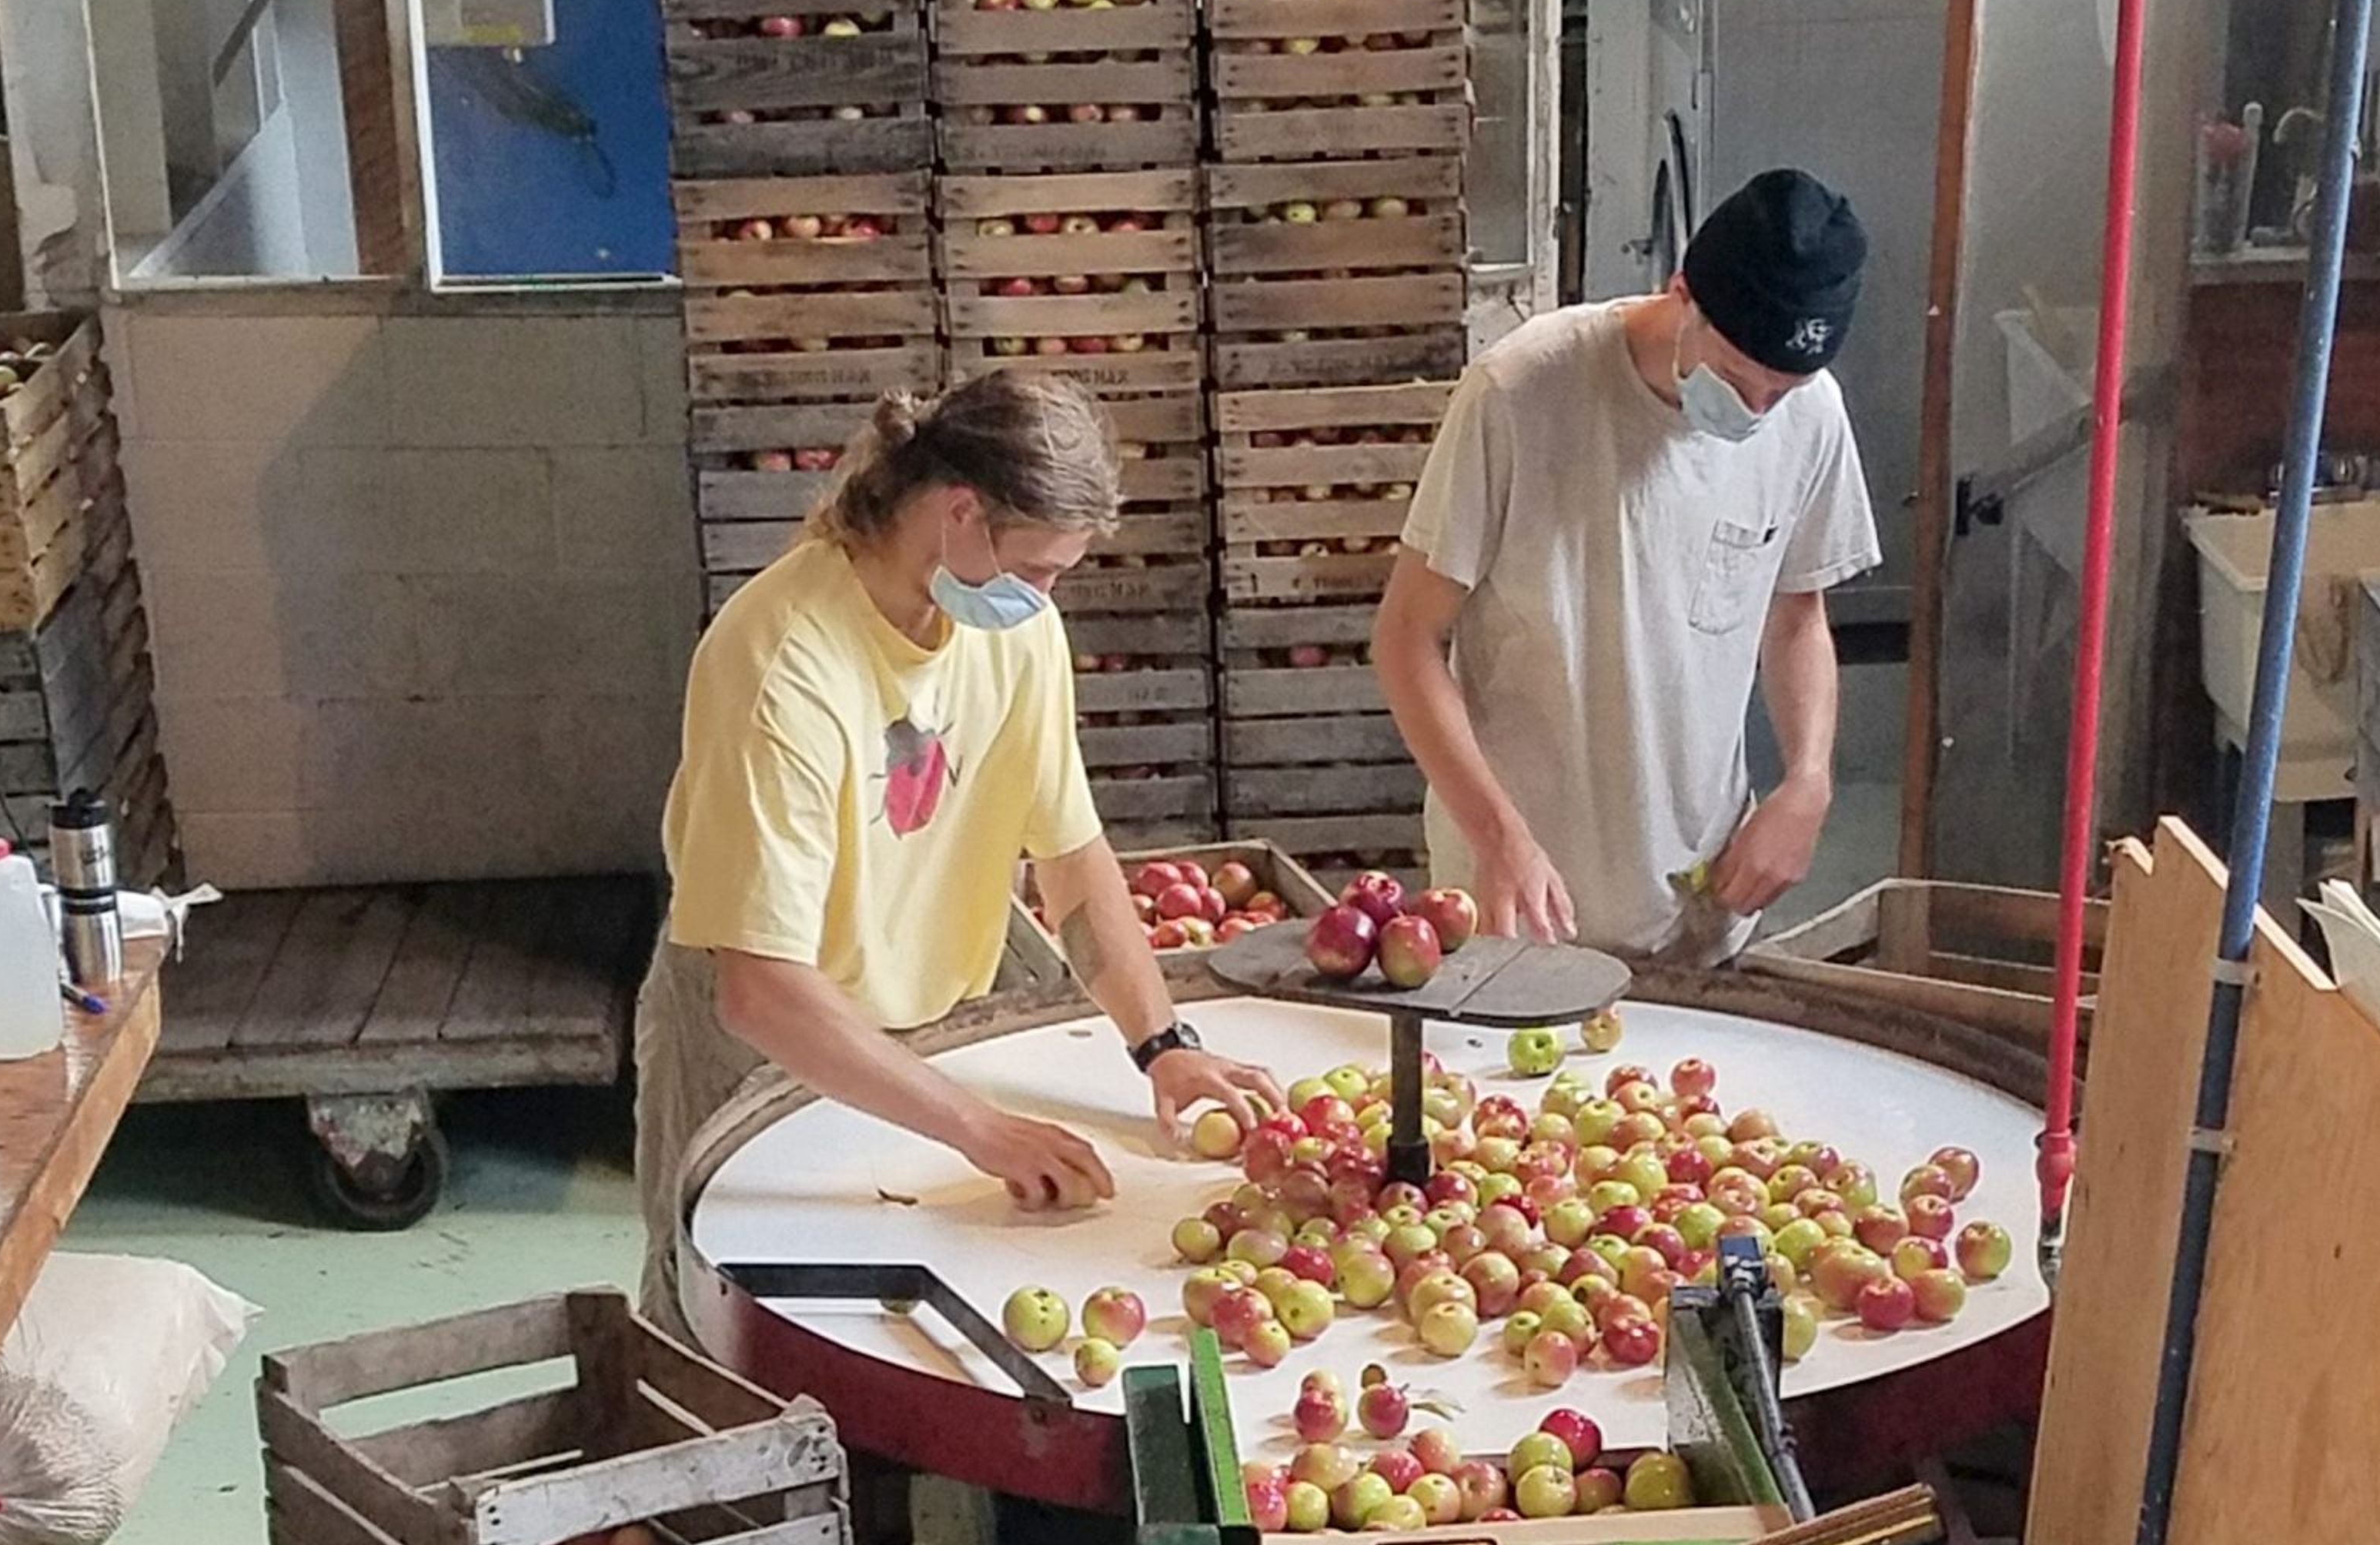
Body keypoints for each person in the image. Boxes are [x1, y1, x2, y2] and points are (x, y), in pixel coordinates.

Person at [633, 366, 1274, 1331]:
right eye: (1042, 567)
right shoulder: (782, 665)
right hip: (765, 1031)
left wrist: (1162, 1044)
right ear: (960, 512)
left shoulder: (1014, 633)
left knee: (918, 1305)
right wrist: (983, 1128)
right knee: (728, 1312)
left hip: (929, 1017)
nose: (1048, 594)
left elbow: (1070, 854)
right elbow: (760, 985)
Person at [1373, 167, 1881, 959]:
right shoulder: (1521, 392)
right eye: (1739, 380)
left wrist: (1808, 781)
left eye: (1780, 392)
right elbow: (1406, 638)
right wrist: (1498, 836)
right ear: (1682, 292)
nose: (1756, 413)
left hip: (1701, 902)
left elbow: (1796, 616)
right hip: (1519, 903)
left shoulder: (1811, 418)